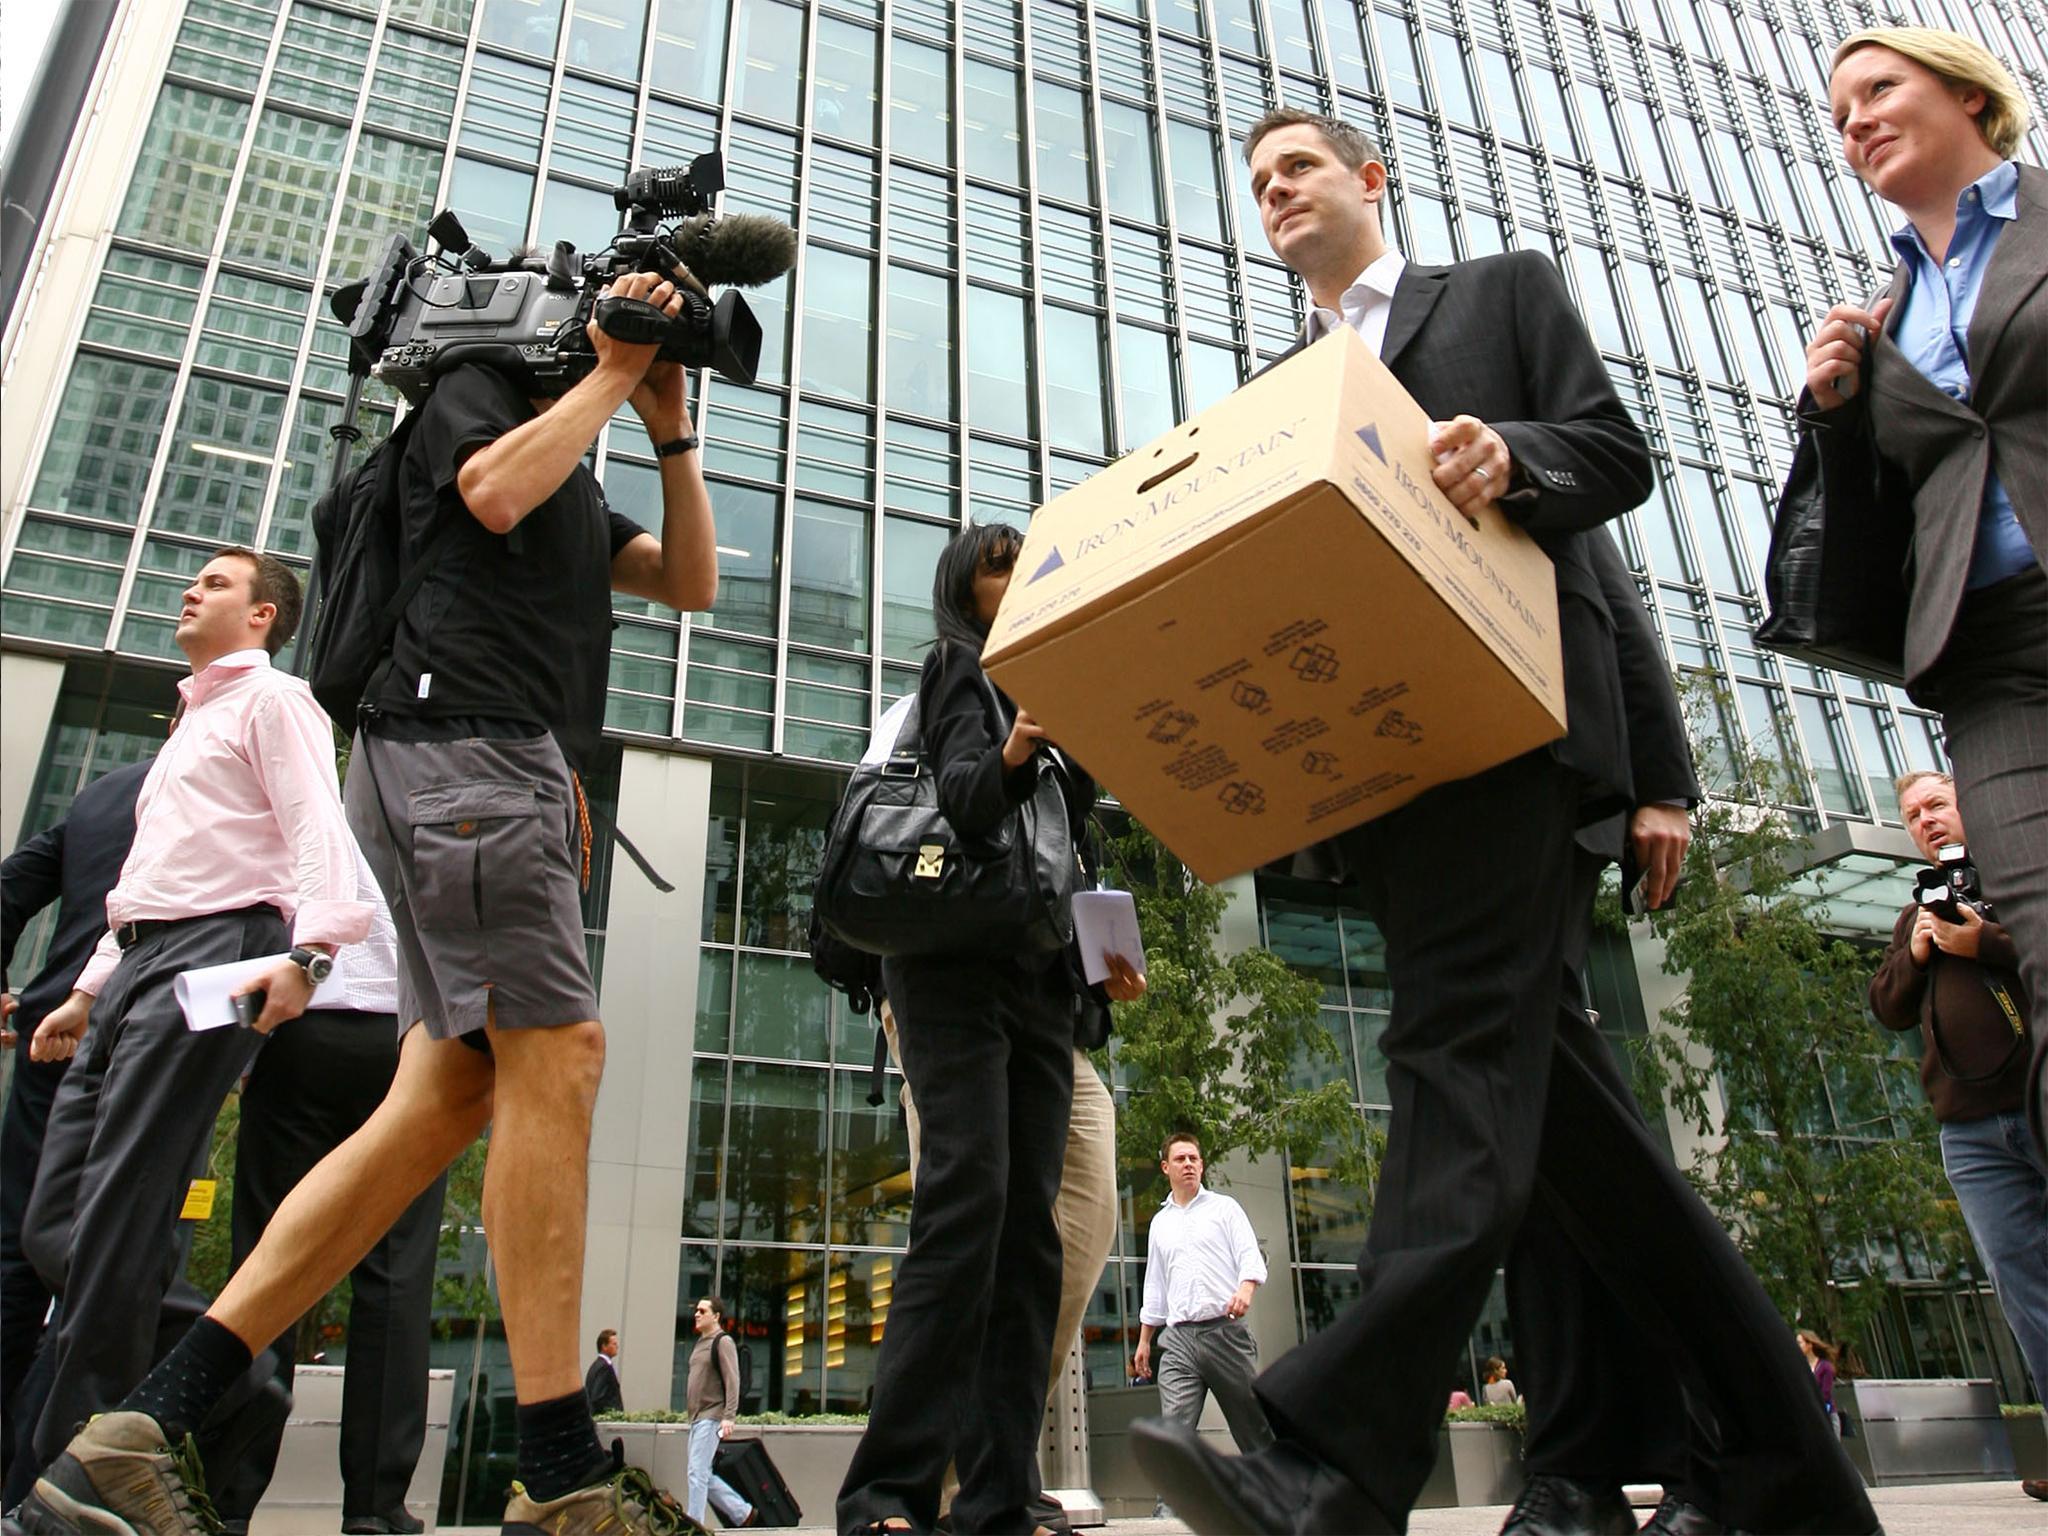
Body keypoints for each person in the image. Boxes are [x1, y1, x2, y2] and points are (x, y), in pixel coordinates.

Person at [1129, 107, 1877, 1536]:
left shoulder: (1501, 292)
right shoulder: (1286, 384)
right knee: (1582, 1151)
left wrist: (1513, 466)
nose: (1276, 191)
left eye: (1298, 167)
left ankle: (1333, 1465)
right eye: (1257, 181)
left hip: (1524, 739)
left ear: (1370, 178)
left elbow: (1610, 468)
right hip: (1393, 775)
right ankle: (1782, 1473)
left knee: (1452, 1067)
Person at [17, 264, 718, 1536]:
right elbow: (494, 491)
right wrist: (613, 371)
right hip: (468, 751)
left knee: (443, 1098)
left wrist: (666, 421)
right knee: (559, 1057)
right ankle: (562, 1474)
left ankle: (135, 1434)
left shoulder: (576, 449)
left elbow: (687, 581)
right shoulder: (472, 389)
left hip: (480, 767)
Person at [12, 548, 373, 1512]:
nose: (190, 590)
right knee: (58, 1226)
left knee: (124, 1220)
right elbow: (154, 874)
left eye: (215, 584)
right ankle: (234, 1375)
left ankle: (68, 1486)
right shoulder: (192, 721)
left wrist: (312, 957)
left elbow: (318, 833)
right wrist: (87, 990)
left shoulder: (275, 701)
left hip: (217, 958)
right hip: (134, 964)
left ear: (261, 616)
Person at [835, 523, 1144, 1536]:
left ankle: (1000, 1494)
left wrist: (1105, 965)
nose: (1014, 582)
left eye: (1023, 565)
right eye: (994, 569)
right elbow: (966, 803)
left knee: (1028, 1241)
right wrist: (1019, 744)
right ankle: (887, 1494)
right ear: (962, 594)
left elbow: (1068, 858)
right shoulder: (955, 671)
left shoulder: (1056, 687)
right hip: (948, 975)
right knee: (963, 1209)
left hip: (1038, 989)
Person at [1801, 27, 2045, 1149]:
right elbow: (1872, 514)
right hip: (1987, 655)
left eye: (1877, 89)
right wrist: (1837, 410)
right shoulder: (1882, 317)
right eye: (1838, 113)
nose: (1853, 120)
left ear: (1965, 95)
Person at [213, 870, 450, 1536]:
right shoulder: (447, 808)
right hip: (409, 1043)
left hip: (307, 1027)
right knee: (397, 1274)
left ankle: (229, 1493)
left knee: (266, 1260)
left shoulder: (317, 801)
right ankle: (376, 1506)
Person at [875, 978, 1119, 1534]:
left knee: (1084, 1216)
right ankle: (945, 1485)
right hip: (941, 986)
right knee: (965, 1236)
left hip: (1044, 1003)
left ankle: (989, 1468)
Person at [1869, 773, 2047, 1415]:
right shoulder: (1914, 914)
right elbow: (1887, 1008)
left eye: (1937, 805)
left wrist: (1985, 941)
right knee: (2023, 1287)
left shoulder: (2022, 883)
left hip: (2039, 1100)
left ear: (1970, 806)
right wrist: (1916, 953)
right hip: (1969, 1131)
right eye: (1914, 815)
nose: (1926, 821)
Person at [0, 757, 151, 1484]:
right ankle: (53, 1460)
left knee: (17, 1245)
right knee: (121, 1248)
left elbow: (11, 887)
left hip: (46, 1031)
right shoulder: (219, 786)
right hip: (139, 1036)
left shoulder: (101, 793)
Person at [1132, 1132, 1274, 1459]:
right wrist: (1144, 1341)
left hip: (1225, 1333)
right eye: (1181, 1159)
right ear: (1165, 1167)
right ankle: (1166, 1508)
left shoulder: (1225, 1209)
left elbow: (1249, 1255)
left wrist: (1246, 1289)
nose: (1188, 1165)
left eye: (1194, 1159)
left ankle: (1276, 1493)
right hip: (1178, 1339)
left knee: (1252, 1426)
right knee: (1174, 1431)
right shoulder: (1160, 1223)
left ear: (1202, 1165)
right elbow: (1155, 1286)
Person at [682, 1299, 754, 1529]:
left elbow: (733, 1380)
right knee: (702, 1473)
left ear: (716, 1316)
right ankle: (743, 1512)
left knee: (696, 1472)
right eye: (696, 1311)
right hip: (696, 1418)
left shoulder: (723, 1342)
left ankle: (695, 1525)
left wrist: (729, 1417)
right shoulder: (700, 1343)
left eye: (702, 1311)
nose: (696, 1314)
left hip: (711, 1416)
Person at [1795, 1332, 1841, 1437]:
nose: (1797, 1347)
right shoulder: (1802, 1367)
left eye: (1799, 1343)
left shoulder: (1826, 1367)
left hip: (1826, 1415)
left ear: (1809, 1345)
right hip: (1810, 1416)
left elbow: (1825, 1394)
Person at [585, 1329, 624, 1418]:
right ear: (604, 1346)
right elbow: (597, 1397)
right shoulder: (604, 1368)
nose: (617, 1346)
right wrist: (610, 1415)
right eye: (613, 1344)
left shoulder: (596, 1365)